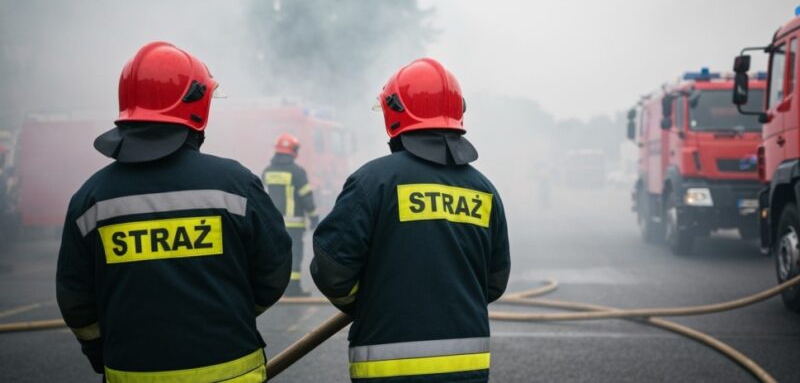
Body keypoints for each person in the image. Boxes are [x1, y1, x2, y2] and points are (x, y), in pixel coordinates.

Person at [55, 41, 292, 382]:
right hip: (231, 370)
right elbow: (274, 269)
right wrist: (233, 311)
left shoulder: (91, 199)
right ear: (198, 105)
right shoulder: (235, 184)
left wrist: (101, 351)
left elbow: (75, 300)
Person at [310, 58, 511, 382]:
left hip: (387, 368)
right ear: (458, 112)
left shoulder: (372, 181)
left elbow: (332, 270)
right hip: (467, 368)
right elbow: (494, 281)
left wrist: (367, 300)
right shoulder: (484, 190)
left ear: (393, 113)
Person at [263, 133, 319, 296]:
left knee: (276, 255)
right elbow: (306, 197)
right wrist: (314, 217)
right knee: (295, 254)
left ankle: (275, 289)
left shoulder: (267, 171)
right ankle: (293, 289)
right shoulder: (297, 172)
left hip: (273, 224)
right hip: (294, 224)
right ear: (294, 151)